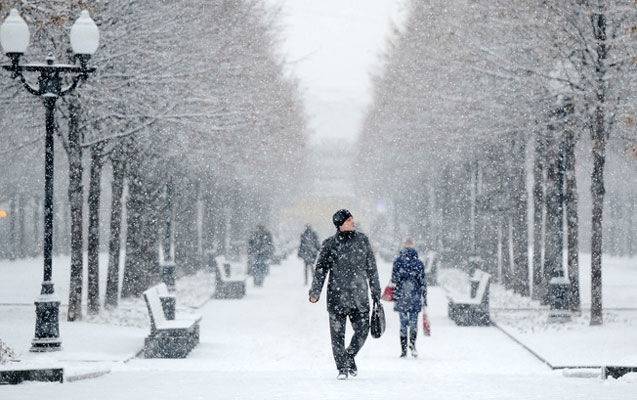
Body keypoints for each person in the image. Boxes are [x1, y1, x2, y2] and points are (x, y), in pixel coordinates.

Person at [309, 209, 381, 380]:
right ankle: (342, 368)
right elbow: (320, 270)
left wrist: (375, 291)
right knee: (337, 336)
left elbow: (371, 268)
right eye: (349, 220)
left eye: (352, 219)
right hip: (336, 297)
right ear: (340, 224)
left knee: (363, 331)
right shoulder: (329, 244)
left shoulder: (363, 241)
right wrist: (315, 291)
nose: (352, 222)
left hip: (359, 297)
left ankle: (349, 355)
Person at [390, 239, 427, 358]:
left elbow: (394, 279)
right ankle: (412, 345)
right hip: (415, 296)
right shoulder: (419, 263)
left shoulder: (398, 261)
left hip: (401, 296)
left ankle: (403, 349)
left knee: (403, 323)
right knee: (413, 323)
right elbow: (423, 282)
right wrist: (425, 299)